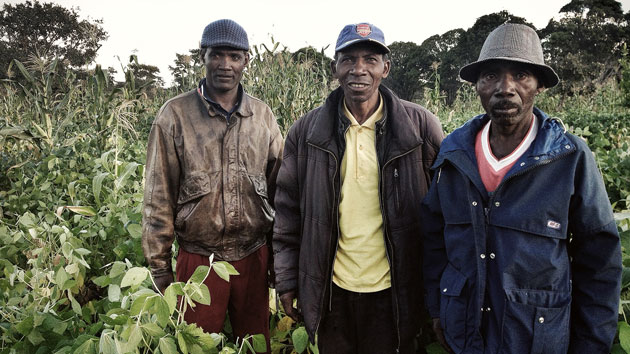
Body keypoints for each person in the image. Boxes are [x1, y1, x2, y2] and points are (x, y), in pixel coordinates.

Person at [422, 23, 622, 354]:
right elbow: (434, 241)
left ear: (539, 85)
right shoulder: (453, 155)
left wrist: (591, 344)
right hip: (465, 335)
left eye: (521, 75)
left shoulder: (569, 159)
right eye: (491, 76)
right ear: (477, 85)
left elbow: (599, 262)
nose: (505, 88)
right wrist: (438, 308)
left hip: (535, 340)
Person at [272, 23, 444, 354]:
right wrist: (288, 280)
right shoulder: (306, 132)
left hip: (395, 291)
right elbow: (287, 213)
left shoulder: (420, 127)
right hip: (331, 290)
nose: (359, 70)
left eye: (370, 59)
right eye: (349, 59)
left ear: (385, 68)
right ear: (335, 67)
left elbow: (444, 214)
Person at [141, 19, 283, 352]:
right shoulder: (175, 115)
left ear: (246, 61)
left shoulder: (262, 116)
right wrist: (159, 267)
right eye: (216, 55)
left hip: (253, 256)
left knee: (255, 345)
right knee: (196, 346)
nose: (225, 64)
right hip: (199, 261)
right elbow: (157, 195)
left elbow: (281, 191)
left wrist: (279, 261)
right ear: (202, 56)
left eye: (234, 56)